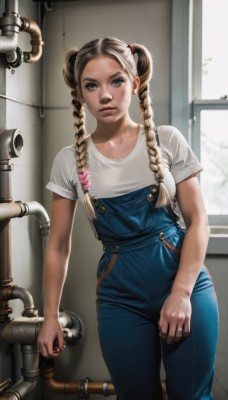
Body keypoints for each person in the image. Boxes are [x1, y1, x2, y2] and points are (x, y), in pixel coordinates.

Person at [38, 37, 219, 400]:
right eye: (92, 85)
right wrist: (50, 316)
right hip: (120, 295)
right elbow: (58, 245)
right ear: (81, 93)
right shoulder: (68, 160)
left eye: (116, 81)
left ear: (135, 83)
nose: (105, 94)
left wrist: (181, 294)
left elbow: (198, 221)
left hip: (183, 282)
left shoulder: (168, 139)